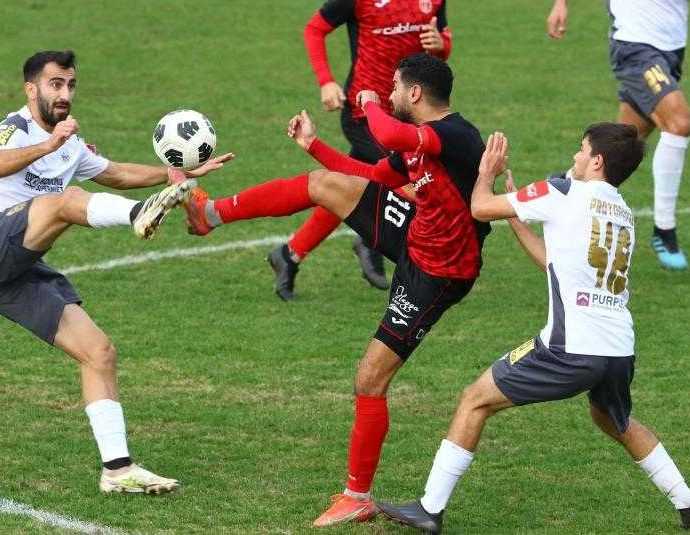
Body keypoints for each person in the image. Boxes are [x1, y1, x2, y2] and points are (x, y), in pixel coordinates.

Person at [179, 54, 489, 526]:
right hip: (417, 233)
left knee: (370, 378)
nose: (388, 94)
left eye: (394, 87)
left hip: (438, 272)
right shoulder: (417, 139)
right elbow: (375, 175)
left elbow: (389, 133)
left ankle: (357, 496)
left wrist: (367, 101)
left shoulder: (454, 135)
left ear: (415, 94)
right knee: (325, 183)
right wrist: (313, 145)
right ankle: (210, 215)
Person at [376, 124, 690, 533]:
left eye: (582, 150)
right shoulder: (622, 212)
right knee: (616, 421)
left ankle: (429, 508)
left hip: (569, 348)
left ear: (597, 161)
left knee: (474, 400)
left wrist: (486, 172)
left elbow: (480, 208)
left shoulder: (562, 192)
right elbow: (555, 263)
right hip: (617, 349)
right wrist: (519, 217)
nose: (575, 157)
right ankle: (686, 502)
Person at [0, 50, 229, 493]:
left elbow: (116, 173)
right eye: (55, 84)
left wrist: (177, 172)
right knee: (66, 200)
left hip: (16, 266)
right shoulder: (16, 129)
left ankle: (118, 470)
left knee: (98, 351)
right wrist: (48, 145)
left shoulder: (70, 143)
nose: (65, 94)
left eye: (70, 85)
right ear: (31, 89)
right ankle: (140, 214)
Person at [266, 0, 453, 300]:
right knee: (409, 180)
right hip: (364, 112)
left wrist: (441, 46)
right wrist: (326, 82)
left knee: (344, 185)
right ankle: (384, 248)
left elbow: (440, 50)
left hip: (405, 115)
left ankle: (289, 255)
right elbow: (315, 29)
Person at [547, 0, 690, 270]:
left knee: (621, 145)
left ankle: (565, 184)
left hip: (671, 48)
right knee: (679, 123)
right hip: (635, 45)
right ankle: (664, 230)